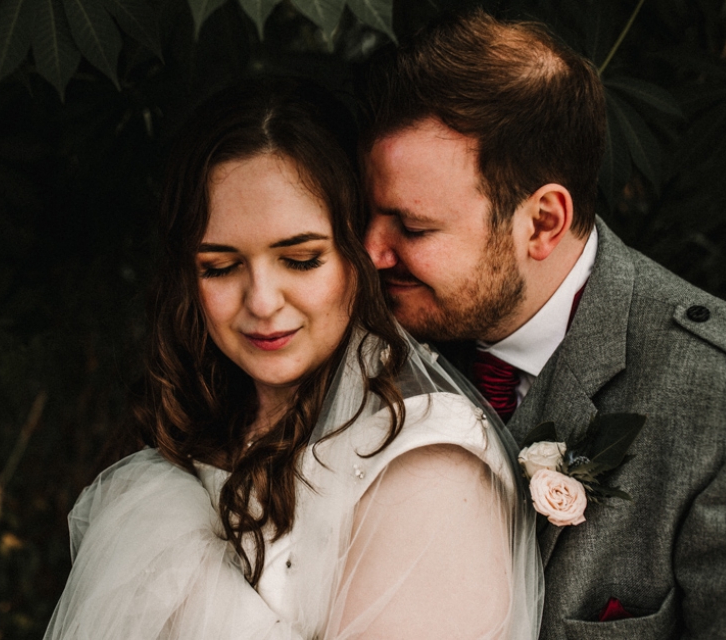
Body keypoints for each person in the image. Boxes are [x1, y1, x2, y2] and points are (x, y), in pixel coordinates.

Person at [44, 77, 543, 639]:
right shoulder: (198, 428)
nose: (261, 301)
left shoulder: (427, 466)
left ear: (362, 253)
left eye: (301, 260)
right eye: (220, 266)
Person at [358, 9, 726, 639]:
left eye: (415, 227)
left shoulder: (716, 403)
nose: (371, 251)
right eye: (368, 213)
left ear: (542, 223)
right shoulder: (356, 337)